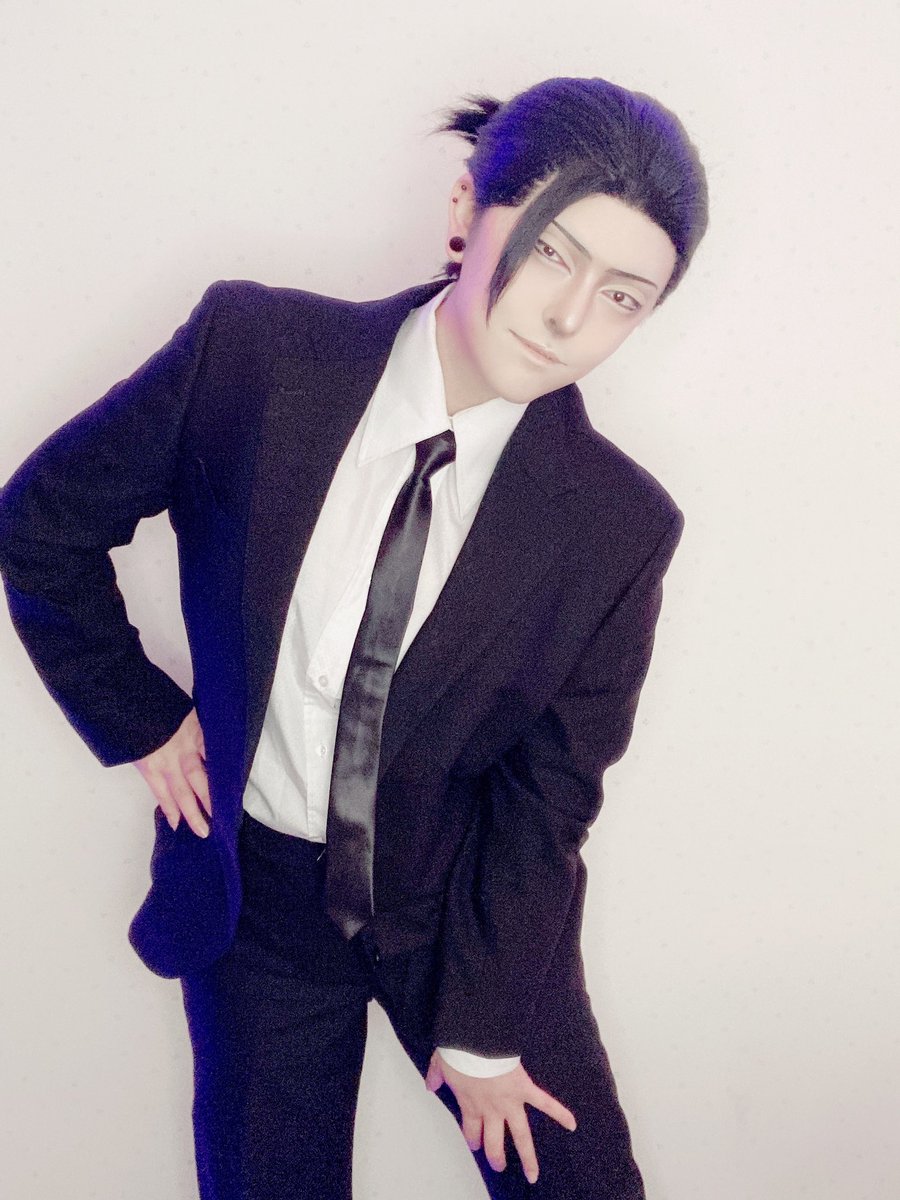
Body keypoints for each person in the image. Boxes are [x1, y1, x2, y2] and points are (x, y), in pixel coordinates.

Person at [0, 75, 708, 1199]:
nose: (570, 319)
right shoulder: (256, 355)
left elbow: (550, 794)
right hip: (259, 904)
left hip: (461, 905)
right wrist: (140, 718)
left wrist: (484, 1027)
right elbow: (41, 522)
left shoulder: (619, 526)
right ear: (467, 208)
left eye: (623, 297)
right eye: (553, 253)